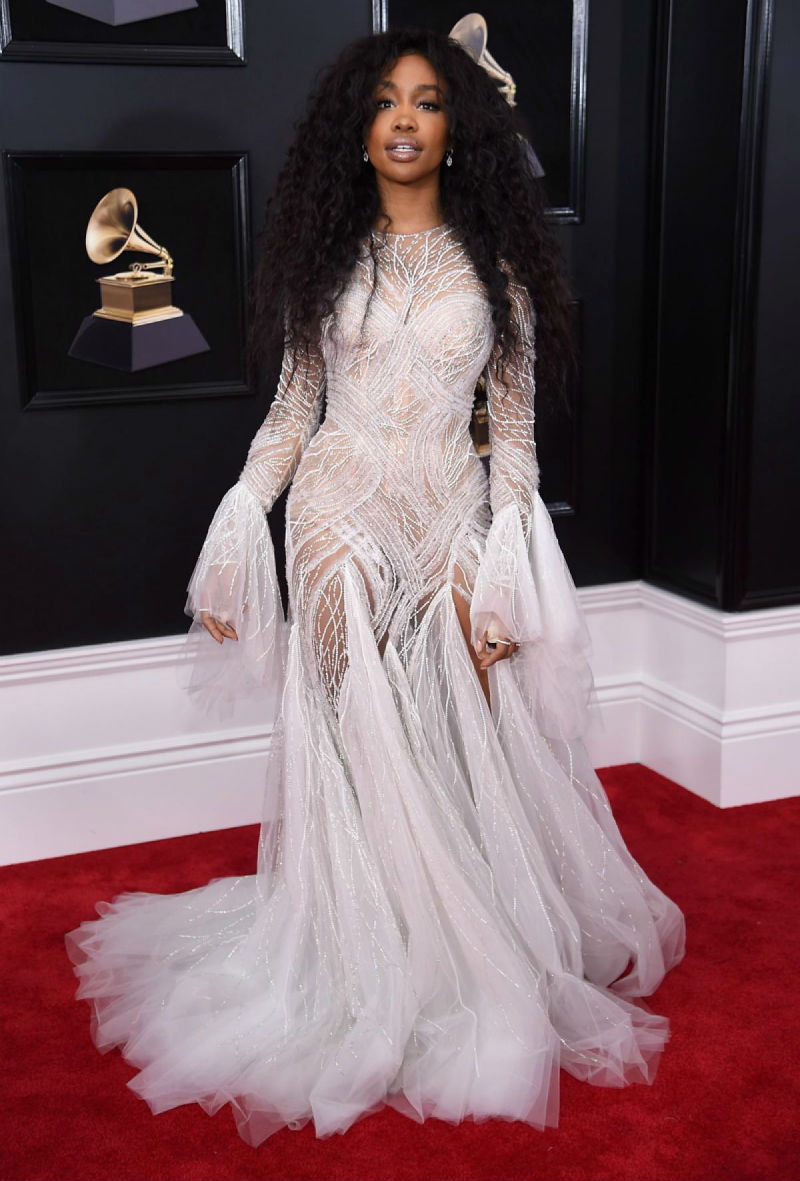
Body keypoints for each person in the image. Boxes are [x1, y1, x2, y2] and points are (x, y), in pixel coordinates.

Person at [65, 27, 686, 1148]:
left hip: (451, 512)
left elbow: (516, 444)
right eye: (386, 101)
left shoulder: (499, 272)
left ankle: (455, 951)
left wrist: (506, 574)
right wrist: (237, 531)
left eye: (428, 101)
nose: (404, 118)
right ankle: (358, 957)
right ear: (357, 129)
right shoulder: (325, 259)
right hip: (334, 510)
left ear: (458, 130)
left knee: (454, 733)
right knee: (355, 731)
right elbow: (291, 417)